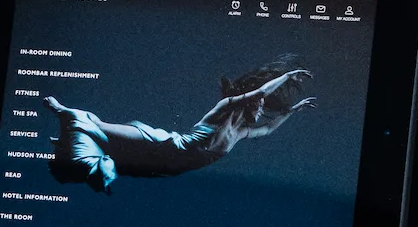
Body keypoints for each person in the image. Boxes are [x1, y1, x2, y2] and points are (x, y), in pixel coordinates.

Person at [43, 60, 314, 193]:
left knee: (109, 161)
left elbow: (268, 130)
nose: (262, 111)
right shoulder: (223, 110)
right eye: (259, 106)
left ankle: (66, 145)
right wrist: (287, 76)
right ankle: (62, 111)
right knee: (101, 128)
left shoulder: (241, 132)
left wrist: (292, 111)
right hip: (164, 143)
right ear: (249, 102)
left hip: (168, 167)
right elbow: (260, 92)